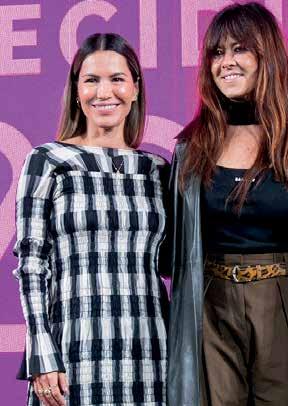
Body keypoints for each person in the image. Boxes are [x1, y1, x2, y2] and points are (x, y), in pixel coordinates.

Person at [165, 3, 288, 405]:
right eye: (217, 53)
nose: (226, 62)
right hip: (210, 304)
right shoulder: (190, 148)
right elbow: (168, 248)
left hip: (283, 300)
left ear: (266, 56)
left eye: (240, 49)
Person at [13, 33, 169, 406]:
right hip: (73, 350)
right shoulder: (48, 161)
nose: (104, 92)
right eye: (91, 80)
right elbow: (31, 266)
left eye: (117, 79)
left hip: (151, 351)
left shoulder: (157, 170)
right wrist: (41, 352)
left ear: (135, 88)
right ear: (76, 91)